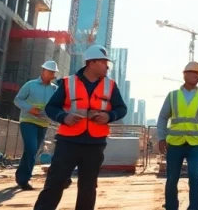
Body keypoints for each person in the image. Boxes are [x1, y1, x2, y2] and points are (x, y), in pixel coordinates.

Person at [34, 45, 127, 210]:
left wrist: (108, 116)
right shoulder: (68, 83)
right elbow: (51, 108)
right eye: (104, 62)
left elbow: (121, 109)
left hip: (95, 144)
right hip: (68, 142)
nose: (107, 66)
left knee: (88, 187)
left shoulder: (110, 85)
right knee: (55, 182)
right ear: (91, 63)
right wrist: (64, 117)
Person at [156, 61, 198, 210]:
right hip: (175, 143)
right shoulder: (173, 96)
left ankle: (195, 207)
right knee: (172, 178)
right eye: (193, 73)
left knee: (195, 176)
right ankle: (171, 206)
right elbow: (163, 117)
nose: (196, 76)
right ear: (185, 75)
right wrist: (161, 138)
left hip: (195, 144)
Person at [14, 60, 59, 190]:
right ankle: (24, 179)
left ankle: (20, 175)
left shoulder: (55, 89)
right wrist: (29, 108)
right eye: (49, 71)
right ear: (43, 71)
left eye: (53, 72)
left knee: (33, 151)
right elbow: (18, 99)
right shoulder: (30, 85)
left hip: (43, 123)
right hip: (28, 121)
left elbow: (56, 106)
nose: (51, 74)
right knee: (31, 148)